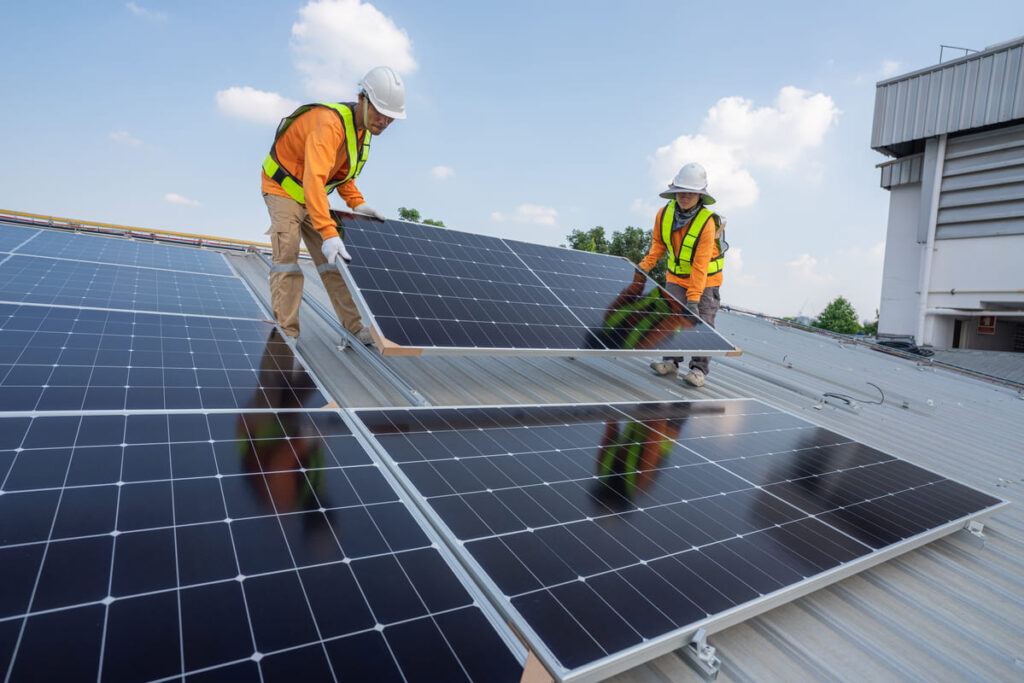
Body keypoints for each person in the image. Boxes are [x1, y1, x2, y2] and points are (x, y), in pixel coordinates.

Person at [260, 65, 406, 343]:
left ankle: (354, 328)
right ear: (363, 99)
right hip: (282, 189)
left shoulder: (360, 133)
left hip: (311, 196)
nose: (385, 121)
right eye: (380, 112)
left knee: (334, 262)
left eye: (391, 117)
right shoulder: (329, 123)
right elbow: (314, 180)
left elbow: (341, 177)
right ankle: (287, 335)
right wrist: (328, 232)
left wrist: (358, 203)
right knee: (288, 260)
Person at [638, 162, 727, 387]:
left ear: (700, 196)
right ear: (674, 191)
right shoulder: (664, 213)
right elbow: (658, 244)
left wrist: (694, 299)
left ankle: (698, 370)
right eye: (681, 191)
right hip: (676, 277)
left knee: (702, 321)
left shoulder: (707, 223)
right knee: (670, 316)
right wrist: (643, 267)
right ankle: (670, 362)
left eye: (691, 192)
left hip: (705, 280)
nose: (684, 196)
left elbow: (700, 264)